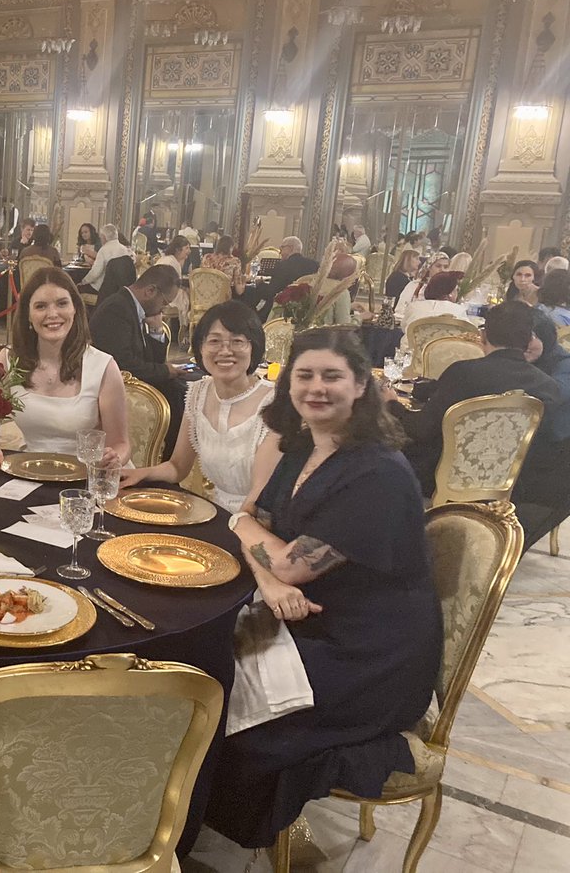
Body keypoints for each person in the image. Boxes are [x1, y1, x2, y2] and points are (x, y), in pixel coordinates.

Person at [210, 327, 441, 851]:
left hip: (368, 651)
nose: (317, 387)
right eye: (305, 375)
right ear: (288, 382)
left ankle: (224, 823)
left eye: (332, 376)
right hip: (312, 617)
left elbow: (277, 552)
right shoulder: (302, 448)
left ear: (360, 384)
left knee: (227, 704)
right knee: (207, 665)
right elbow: (258, 523)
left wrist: (254, 545)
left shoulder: (377, 472)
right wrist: (266, 572)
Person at [384, 301, 561, 494]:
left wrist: (392, 404)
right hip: (513, 488)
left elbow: (421, 429)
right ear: (529, 340)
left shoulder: (464, 373)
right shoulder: (548, 387)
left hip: (440, 480)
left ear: (483, 335)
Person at [122, 301, 278, 511]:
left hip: (258, 520)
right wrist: (141, 473)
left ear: (253, 347)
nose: (225, 351)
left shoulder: (273, 404)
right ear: (201, 347)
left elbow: (262, 493)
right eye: (214, 341)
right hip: (215, 510)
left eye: (237, 341)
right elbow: (177, 468)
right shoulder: (199, 392)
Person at [2, 266, 130, 464]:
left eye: (62, 304)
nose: (52, 314)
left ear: (75, 309)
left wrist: (113, 459)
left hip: (86, 480)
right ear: (28, 314)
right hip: (29, 471)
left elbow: (121, 444)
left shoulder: (103, 366)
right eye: (41, 306)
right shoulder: (8, 360)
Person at [88, 263, 189, 452]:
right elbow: (124, 365)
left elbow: (153, 361)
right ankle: (169, 458)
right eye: (164, 303)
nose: (163, 309)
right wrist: (165, 371)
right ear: (150, 291)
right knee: (176, 395)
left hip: (130, 377)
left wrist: (157, 330)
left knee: (183, 387)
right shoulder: (117, 309)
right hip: (112, 384)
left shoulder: (133, 307)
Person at [513, 311, 570, 549]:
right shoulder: (518, 359)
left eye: (531, 337)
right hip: (522, 441)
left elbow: (554, 398)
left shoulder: (564, 365)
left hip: (554, 451)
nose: (524, 344)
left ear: (545, 338)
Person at [400, 270, 469, 346]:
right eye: (456, 290)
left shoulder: (413, 307)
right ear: (450, 293)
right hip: (447, 354)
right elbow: (470, 333)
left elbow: (404, 328)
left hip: (412, 354)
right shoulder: (459, 310)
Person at [80, 224, 132, 292]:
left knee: (76, 290)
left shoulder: (103, 250)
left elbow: (95, 273)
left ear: (104, 237)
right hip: (120, 289)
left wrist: (83, 281)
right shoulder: (125, 249)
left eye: (101, 236)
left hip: (103, 289)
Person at [395, 252, 449, 319]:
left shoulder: (450, 289)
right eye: (438, 266)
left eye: (446, 267)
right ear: (429, 267)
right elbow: (400, 309)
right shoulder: (414, 286)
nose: (442, 270)